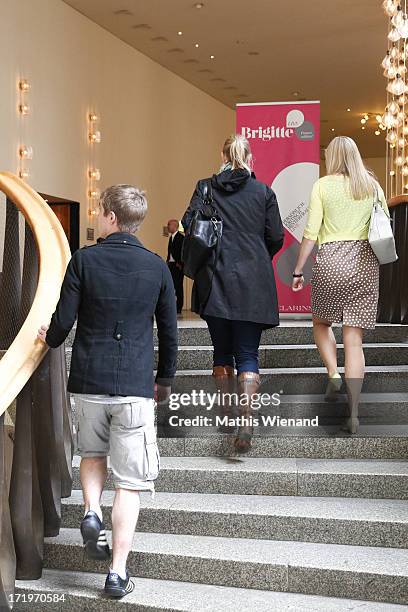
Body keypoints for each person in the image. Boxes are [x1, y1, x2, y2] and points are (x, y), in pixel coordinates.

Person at [38, 184, 177, 598]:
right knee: (130, 483)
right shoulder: (157, 269)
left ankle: (92, 510)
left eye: (101, 212)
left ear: (111, 217)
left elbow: (63, 322)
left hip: (89, 382)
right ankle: (117, 573)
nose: (99, 216)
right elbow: (170, 334)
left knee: (93, 455)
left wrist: (49, 337)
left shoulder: (84, 260)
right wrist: (164, 379)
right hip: (134, 386)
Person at [181, 134, 284, 453]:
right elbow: (276, 236)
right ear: (250, 157)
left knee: (221, 351)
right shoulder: (263, 191)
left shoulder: (205, 187)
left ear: (222, 154)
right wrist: (255, 254)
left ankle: (226, 413)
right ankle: (247, 420)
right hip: (253, 282)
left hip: (215, 279)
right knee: (248, 354)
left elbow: (189, 224)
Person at [292, 136, 390, 434]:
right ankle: (354, 412)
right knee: (354, 339)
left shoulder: (322, 185)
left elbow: (311, 231)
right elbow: (384, 222)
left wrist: (298, 270)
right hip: (363, 263)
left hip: (331, 262)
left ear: (331, 157)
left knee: (321, 323)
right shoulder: (372, 185)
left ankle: (333, 371)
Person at [166, 219, 184, 314]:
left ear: (175, 226)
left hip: (178, 266)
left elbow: (182, 252)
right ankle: (172, 306)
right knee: (171, 286)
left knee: (178, 286)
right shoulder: (171, 237)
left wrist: (180, 263)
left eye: (169, 224)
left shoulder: (181, 237)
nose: (168, 226)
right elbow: (170, 252)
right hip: (171, 264)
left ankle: (179, 308)